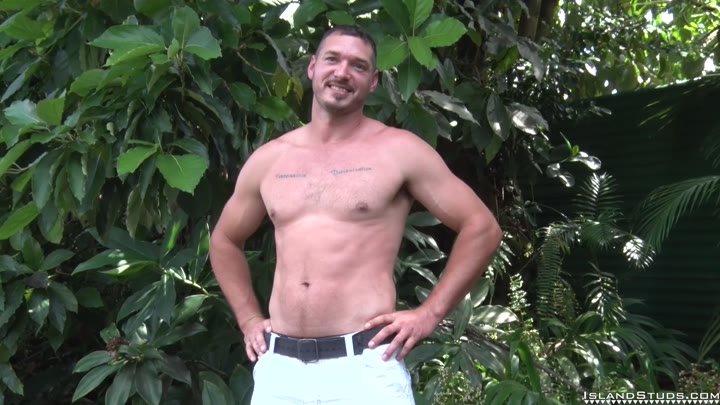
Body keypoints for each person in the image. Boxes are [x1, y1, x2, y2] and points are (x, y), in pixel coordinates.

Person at [209, 24, 502, 404]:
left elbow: (482, 227)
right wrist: (249, 319)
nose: (343, 72)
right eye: (333, 59)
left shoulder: (398, 151)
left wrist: (429, 314)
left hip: (364, 368)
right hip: (280, 370)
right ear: (312, 67)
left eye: (358, 66)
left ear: (374, 81)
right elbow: (224, 240)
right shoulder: (271, 159)